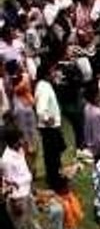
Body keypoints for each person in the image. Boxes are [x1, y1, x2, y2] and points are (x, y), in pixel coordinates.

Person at [34, 59, 66, 187]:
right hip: (49, 128)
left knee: (54, 154)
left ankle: (55, 177)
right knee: (52, 156)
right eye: (52, 71)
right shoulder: (43, 88)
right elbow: (41, 109)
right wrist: (47, 119)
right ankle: (55, 180)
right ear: (47, 73)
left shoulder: (44, 85)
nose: (54, 73)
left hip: (50, 127)